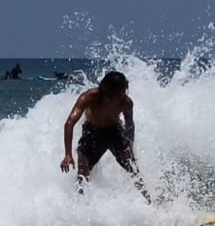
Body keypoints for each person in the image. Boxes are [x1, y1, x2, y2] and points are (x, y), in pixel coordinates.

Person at [60, 71, 151, 203]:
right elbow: (69, 123)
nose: (121, 96)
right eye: (118, 94)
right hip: (92, 132)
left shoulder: (126, 102)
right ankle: (78, 206)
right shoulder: (88, 97)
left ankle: (148, 201)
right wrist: (68, 154)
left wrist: (129, 146)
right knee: (82, 171)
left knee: (132, 167)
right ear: (105, 89)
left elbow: (130, 125)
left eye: (123, 92)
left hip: (114, 131)